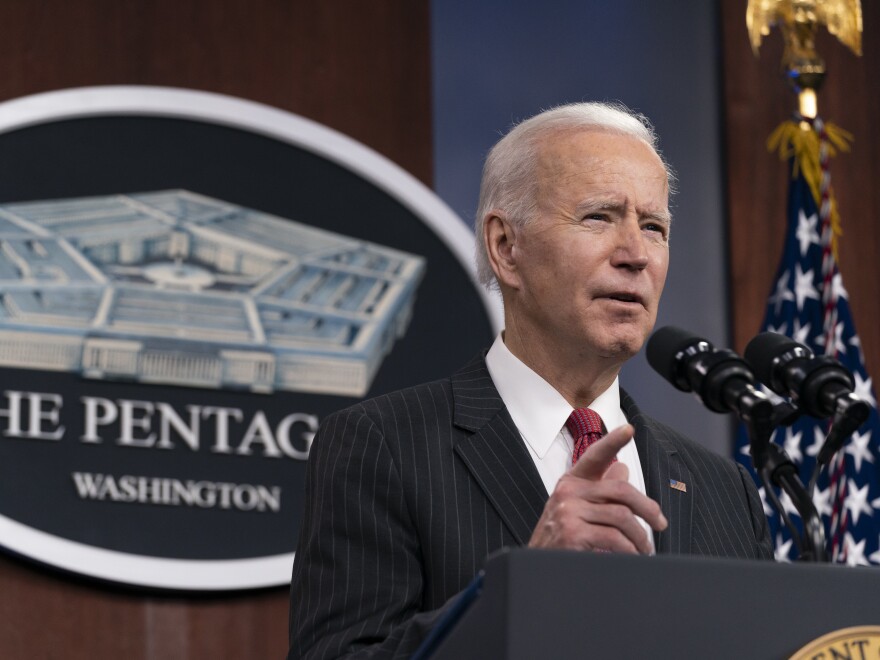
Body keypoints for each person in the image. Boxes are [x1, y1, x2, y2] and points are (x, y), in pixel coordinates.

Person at [287, 102, 773, 659]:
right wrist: (520, 587)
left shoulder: (723, 489)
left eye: (654, 226)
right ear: (506, 248)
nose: (636, 254)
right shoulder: (383, 446)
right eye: (598, 217)